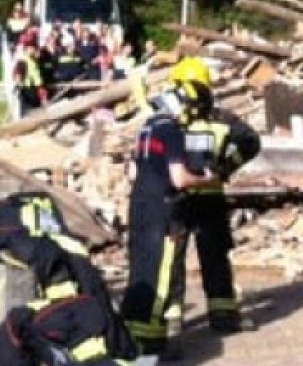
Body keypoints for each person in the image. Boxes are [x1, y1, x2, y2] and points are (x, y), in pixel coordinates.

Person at [119, 79, 220, 359]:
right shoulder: (172, 131)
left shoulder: (146, 129)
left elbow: (132, 173)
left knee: (140, 269)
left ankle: (133, 338)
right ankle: (151, 345)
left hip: (139, 206)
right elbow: (179, 178)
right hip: (163, 209)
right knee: (160, 274)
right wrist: (207, 180)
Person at [167, 57, 261, 334]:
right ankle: (222, 317)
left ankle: (173, 320)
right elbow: (250, 141)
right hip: (209, 196)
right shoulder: (221, 120)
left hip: (179, 198)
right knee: (215, 258)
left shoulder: (171, 122)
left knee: (174, 260)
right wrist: (225, 166)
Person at [0, 193, 138, 366]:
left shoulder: (20, 238)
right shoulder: (33, 211)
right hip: (86, 310)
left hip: (68, 308)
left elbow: (46, 258)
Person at [12, 41, 48, 111]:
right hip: (27, 91)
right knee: (28, 113)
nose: (34, 50)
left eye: (34, 48)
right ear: (26, 49)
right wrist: (18, 83)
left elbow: (38, 80)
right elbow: (17, 75)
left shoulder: (34, 60)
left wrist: (42, 95)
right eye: (32, 48)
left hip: (35, 90)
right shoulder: (23, 60)